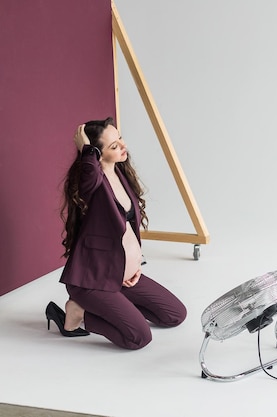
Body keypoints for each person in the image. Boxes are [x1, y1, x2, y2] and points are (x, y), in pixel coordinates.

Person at [45, 117, 187, 350]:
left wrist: (134, 264)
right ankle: (79, 312)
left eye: (119, 138)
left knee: (174, 314)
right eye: (113, 146)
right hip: (94, 281)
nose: (123, 146)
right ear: (96, 154)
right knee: (139, 337)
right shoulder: (91, 182)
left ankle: (115, 307)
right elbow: (89, 179)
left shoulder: (120, 175)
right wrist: (87, 151)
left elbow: (126, 230)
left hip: (122, 277)